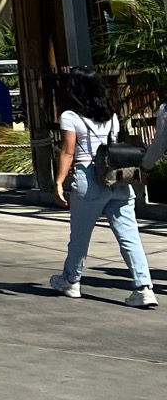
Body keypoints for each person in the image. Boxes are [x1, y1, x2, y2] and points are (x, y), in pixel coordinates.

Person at [49, 72, 156, 308]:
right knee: (129, 236)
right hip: (116, 177)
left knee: (80, 235)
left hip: (88, 178)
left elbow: (68, 152)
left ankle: (71, 281)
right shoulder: (111, 115)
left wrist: (59, 181)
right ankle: (144, 287)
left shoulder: (70, 116)